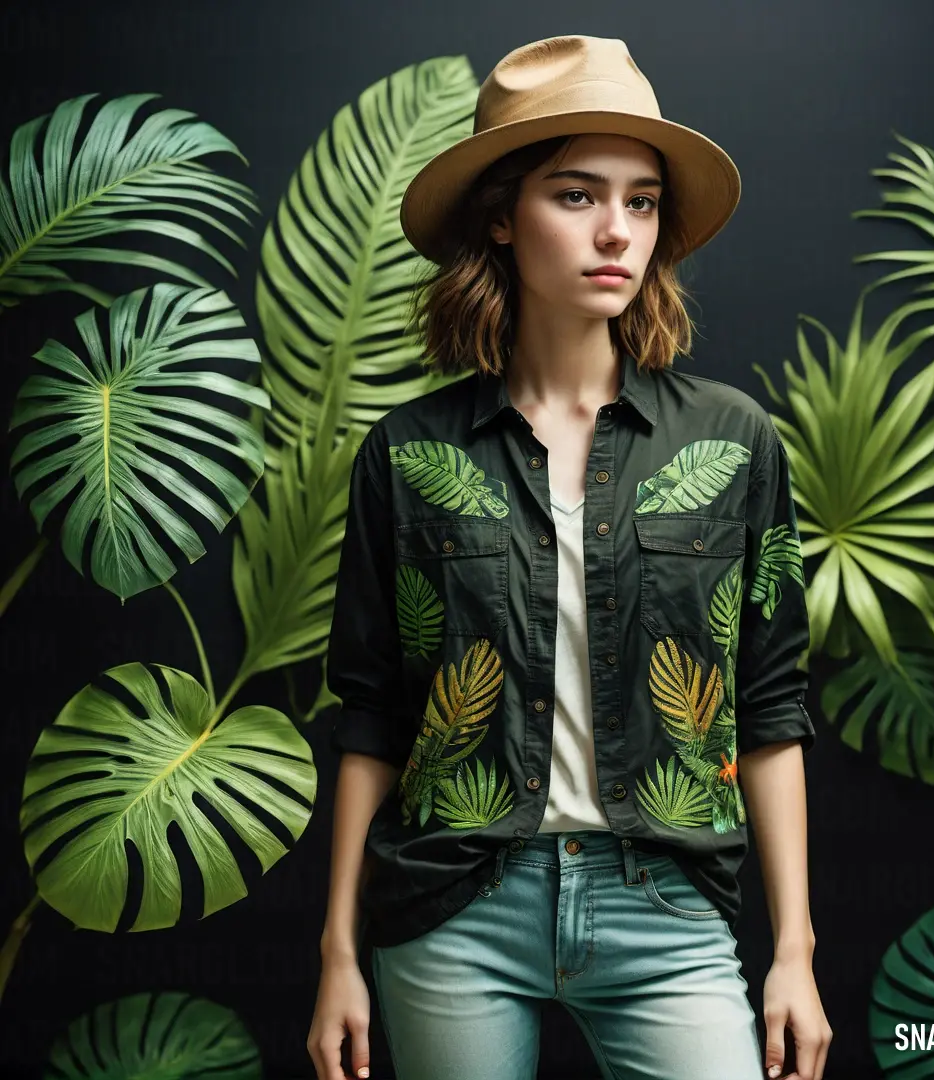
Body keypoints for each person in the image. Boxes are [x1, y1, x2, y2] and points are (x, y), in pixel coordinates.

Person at [308, 34, 831, 1080]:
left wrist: (795, 953)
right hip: (454, 909)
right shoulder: (409, 454)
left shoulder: (733, 445)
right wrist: (336, 954)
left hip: (668, 907)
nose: (616, 232)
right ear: (502, 215)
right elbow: (369, 710)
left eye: (641, 203)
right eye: (578, 195)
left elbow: (770, 706)